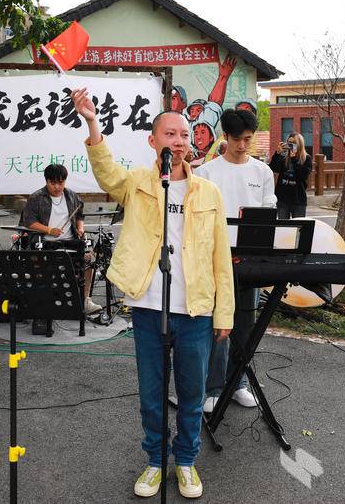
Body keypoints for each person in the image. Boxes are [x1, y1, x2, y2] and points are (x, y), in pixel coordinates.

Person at [71, 88, 234, 500]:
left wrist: (224, 314)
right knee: (152, 394)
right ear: (153, 140)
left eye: (184, 135)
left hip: (196, 310)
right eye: (170, 134)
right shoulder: (138, 183)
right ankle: (156, 461)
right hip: (148, 308)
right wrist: (92, 122)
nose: (178, 142)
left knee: (192, 394)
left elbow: (221, 258)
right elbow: (106, 173)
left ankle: (186, 462)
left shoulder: (209, 193)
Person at [195, 108, 275, 414]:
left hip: (249, 259)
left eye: (248, 139)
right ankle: (214, 387)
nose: (242, 145)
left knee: (245, 322)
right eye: (237, 139)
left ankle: (238, 382)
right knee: (218, 324)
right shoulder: (207, 173)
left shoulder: (262, 172)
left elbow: (268, 213)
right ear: (225, 137)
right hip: (215, 259)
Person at [21, 163, 102, 314]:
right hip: (45, 243)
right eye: (53, 183)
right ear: (46, 181)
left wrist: (80, 228)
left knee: (88, 259)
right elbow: (29, 222)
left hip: (70, 242)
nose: (57, 187)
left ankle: (84, 300)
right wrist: (49, 230)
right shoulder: (36, 198)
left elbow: (80, 214)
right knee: (40, 266)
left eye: (61, 182)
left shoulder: (71, 196)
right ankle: (44, 303)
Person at [269, 132, 312, 219]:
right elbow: (273, 169)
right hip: (282, 198)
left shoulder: (306, 158)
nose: (291, 145)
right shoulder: (283, 156)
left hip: (298, 198)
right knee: (283, 225)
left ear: (299, 144)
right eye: (289, 142)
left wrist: (294, 159)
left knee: (298, 225)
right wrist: (277, 153)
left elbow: (303, 176)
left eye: (294, 143)